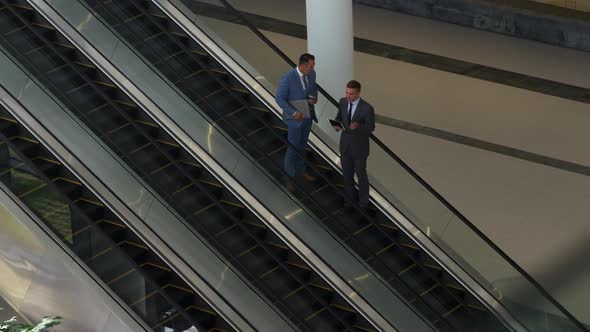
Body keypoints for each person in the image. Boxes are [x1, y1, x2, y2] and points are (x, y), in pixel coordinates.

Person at [275, 53, 319, 192]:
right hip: (295, 119)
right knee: (293, 147)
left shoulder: (312, 74)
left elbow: (313, 89)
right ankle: (289, 178)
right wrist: (293, 113)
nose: (313, 68)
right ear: (303, 65)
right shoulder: (288, 78)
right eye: (311, 66)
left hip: (308, 116)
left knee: (302, 144)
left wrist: (314, 98)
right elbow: (279, 99)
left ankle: (301, 170)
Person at [333, 80, 375, 210]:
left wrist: (358, 127)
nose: (348, 96)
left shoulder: (367, 108)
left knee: (361, 175)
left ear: (358, 93)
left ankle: (363, 204)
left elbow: (370, 128)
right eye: (347, 92)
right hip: (345, 146)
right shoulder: (342, 102)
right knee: (347, 175)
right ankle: (349, 201)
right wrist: (337, 125)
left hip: (359, 148)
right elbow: (339, 117)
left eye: (351, 94)